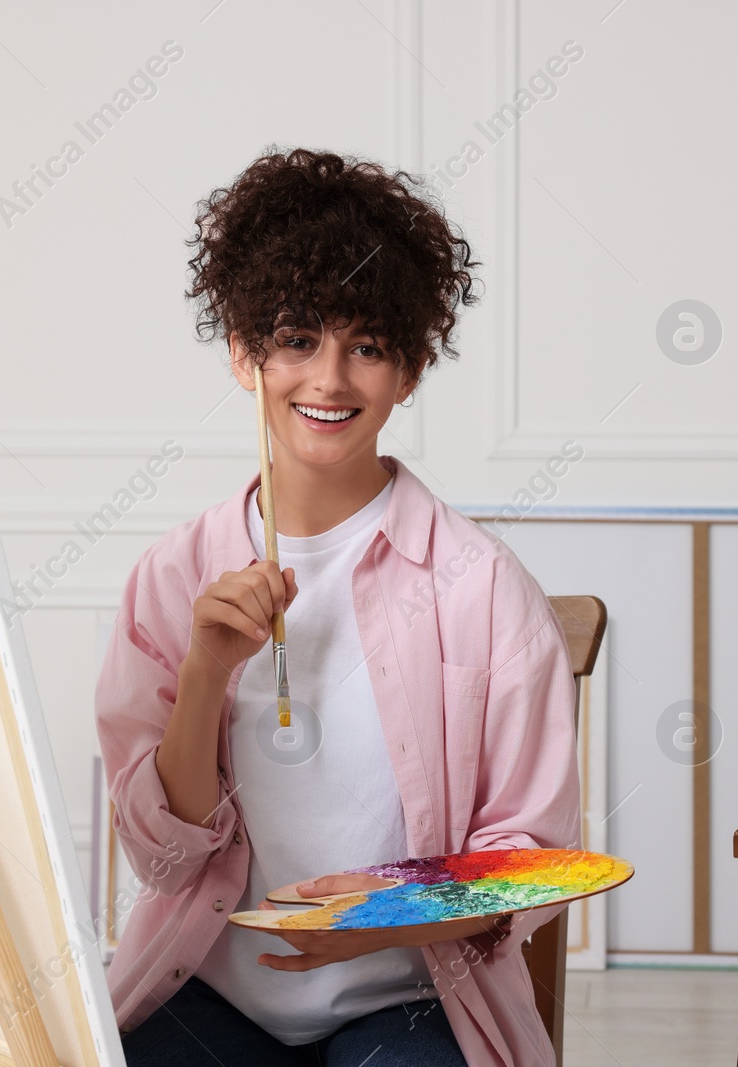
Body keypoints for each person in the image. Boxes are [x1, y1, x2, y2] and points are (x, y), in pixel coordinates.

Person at [95, 147, 581, 1067]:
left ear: (410, 369)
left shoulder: (480, 585)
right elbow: (160, 858)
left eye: (367, 346)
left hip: (410, 1001)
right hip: (208, 995)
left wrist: (373, 926)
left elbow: (533, 854)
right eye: (296, 340)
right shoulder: (174, 577)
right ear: (245, 353)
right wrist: (205, 667)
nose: (329, 379)